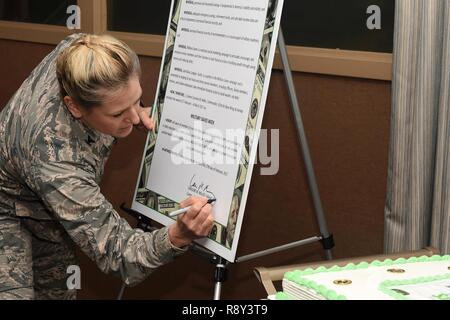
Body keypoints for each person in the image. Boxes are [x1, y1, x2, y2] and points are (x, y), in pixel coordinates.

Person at [0, 33, 214, 300]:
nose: (135, 116)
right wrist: (177, 236)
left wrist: (131, 108)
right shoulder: (55, 158)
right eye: (117, 113)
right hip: (6, 209)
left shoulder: (81, 52)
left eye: (136, 100)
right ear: (74, 107)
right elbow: (117, 252)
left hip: (50, 213)